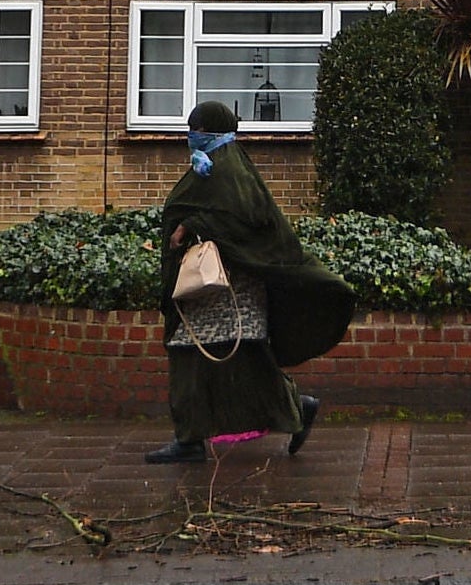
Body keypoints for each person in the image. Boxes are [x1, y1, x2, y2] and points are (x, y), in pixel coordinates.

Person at [145, 98, 353, 465]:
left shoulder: (229, 172)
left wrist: (191, 225)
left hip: (223, 292)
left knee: (211, 361)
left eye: (197, 131)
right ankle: (198, 436)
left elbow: (245, 221)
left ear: (209, 133)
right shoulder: (213, 169)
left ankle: (202, 437)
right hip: (212, 293)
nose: (191, 138)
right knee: (223, 364)